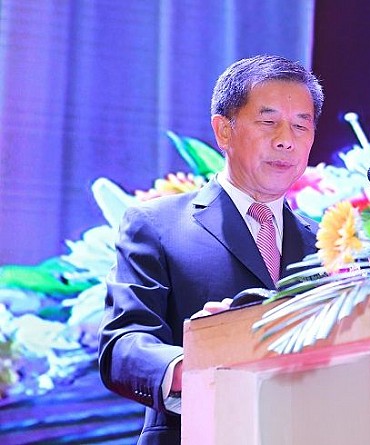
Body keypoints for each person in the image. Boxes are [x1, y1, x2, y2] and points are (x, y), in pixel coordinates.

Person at [97, 54, 324, 444]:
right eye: (268, 122)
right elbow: (123, 346)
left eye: (301, 125)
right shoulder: (157, 225)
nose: (286, 139)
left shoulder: (326, 244)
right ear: (223, 131)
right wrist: (196, 364)